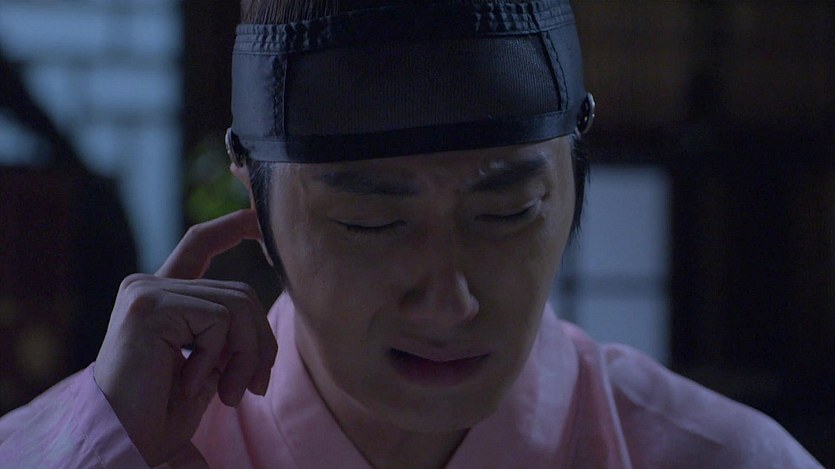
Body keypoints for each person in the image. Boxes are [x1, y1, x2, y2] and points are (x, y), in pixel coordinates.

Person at [0, 0, 823, 467]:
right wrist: (95, 446)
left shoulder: (724, 458)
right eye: (371, 221)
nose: (448, 299)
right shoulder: (125, 445)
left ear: (574, 177)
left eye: (507, 211)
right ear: (253, 197)